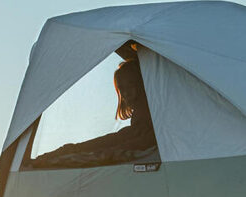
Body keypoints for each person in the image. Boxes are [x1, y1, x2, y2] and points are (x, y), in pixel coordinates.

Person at [27, 57, 158, 169]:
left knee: (71, 150)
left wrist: (105, 151)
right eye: (121, 88)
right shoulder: (140, 123)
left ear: (141, 84)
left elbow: (126, 142)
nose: (125, 93)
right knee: (71, 149)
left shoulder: (150, 126)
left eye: (130, 85)